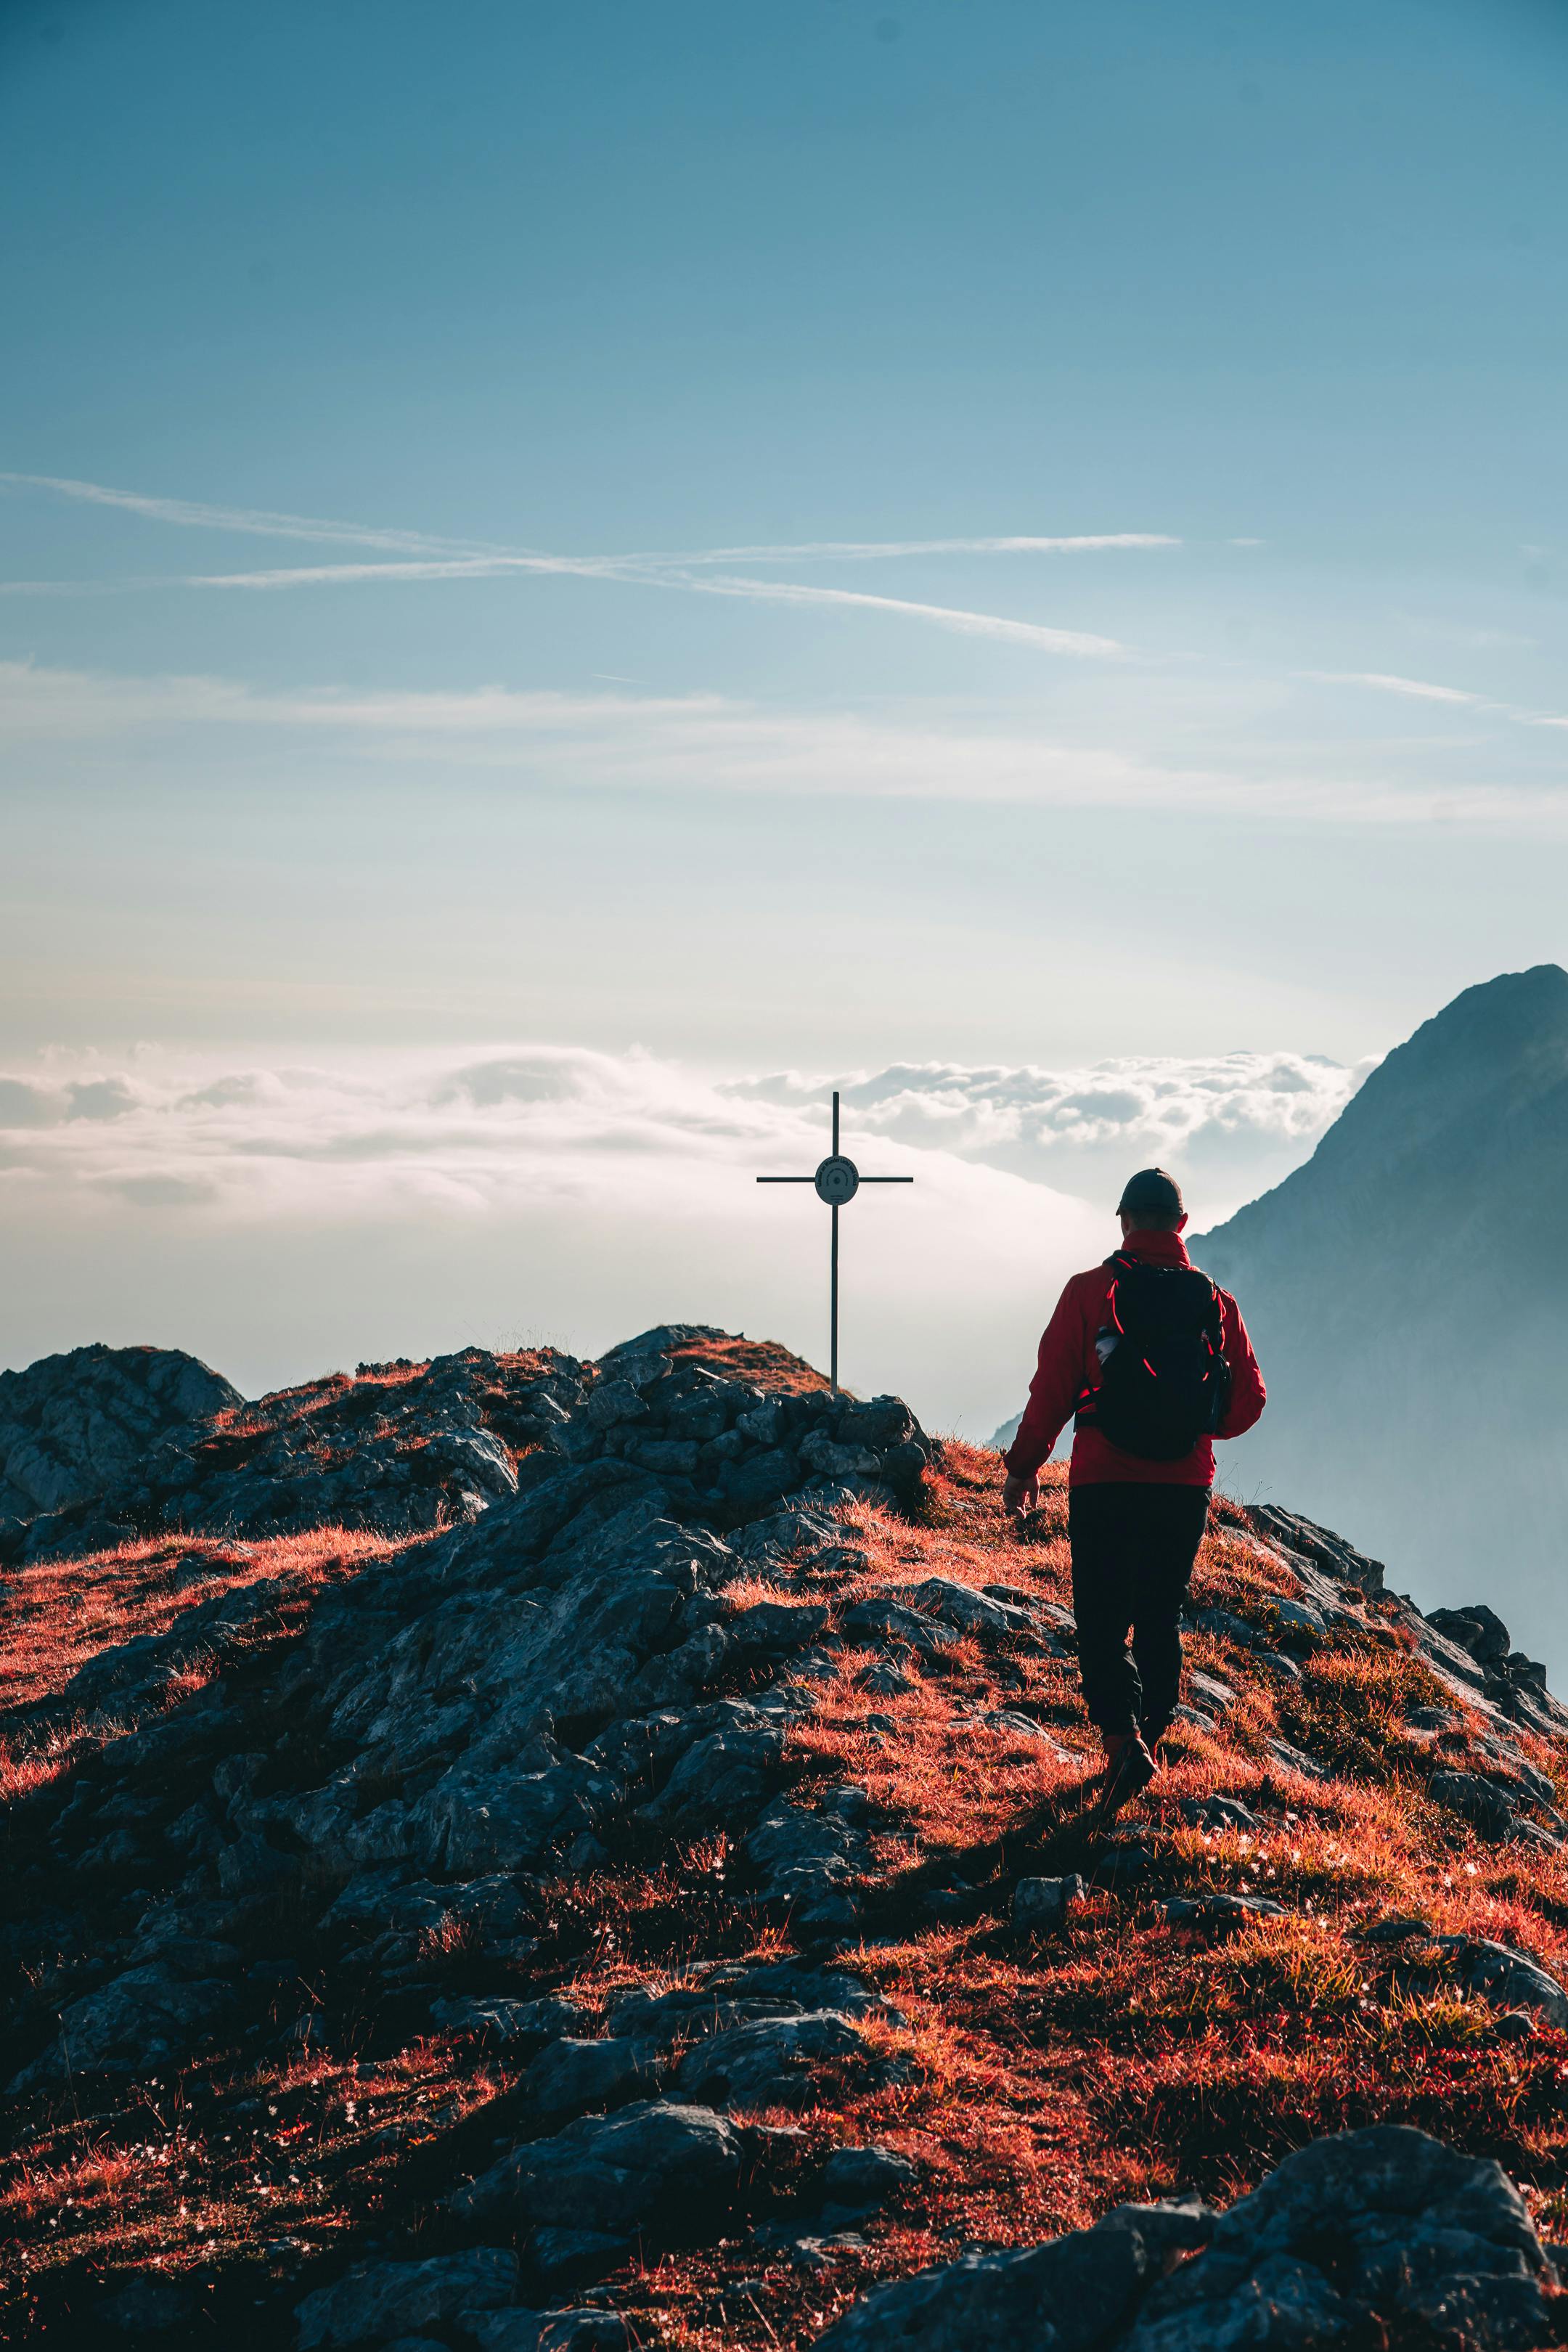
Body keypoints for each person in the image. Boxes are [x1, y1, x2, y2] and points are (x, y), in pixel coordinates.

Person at [1002, 1167, 1265, 1808]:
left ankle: (1123, 1744)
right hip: (1183, 1485)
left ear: (1124, 1220)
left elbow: (1054, 1387)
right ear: (1181, 1224)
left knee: (1099, 1615)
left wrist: (1024, 1464)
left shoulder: (1091, 1291)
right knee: (1159, 1615)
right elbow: (1249, 1401)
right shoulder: (1216, 1302)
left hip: (1104, 1477)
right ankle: (1149, 1736)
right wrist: (1193, 1432)